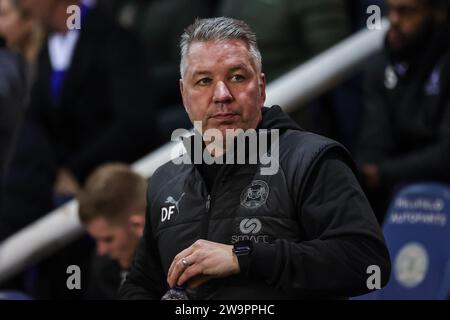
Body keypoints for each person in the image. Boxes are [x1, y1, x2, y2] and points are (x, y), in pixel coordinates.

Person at [119, 17, 390, 300]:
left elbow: (368, 263)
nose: (222, 95)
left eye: (237, 77)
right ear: (184, 95)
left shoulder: (312, 160)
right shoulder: (165, 180)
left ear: (260, 87)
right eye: (204, 81)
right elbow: (140, 284)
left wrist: (244, 257)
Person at [356, 0, 450, 223]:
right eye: (391, 10)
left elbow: (446, 155)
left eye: (407, 11)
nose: (395, 20)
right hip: (394, 192)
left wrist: (384, 172)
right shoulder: (381, 66)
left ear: (437, 13)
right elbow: (372, 146)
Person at [78, 163, 147, 299]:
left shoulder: (185, 245)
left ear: (138, 225)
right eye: (96, 240)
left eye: (108, 239)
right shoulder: (105, 268)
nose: (101, 250)